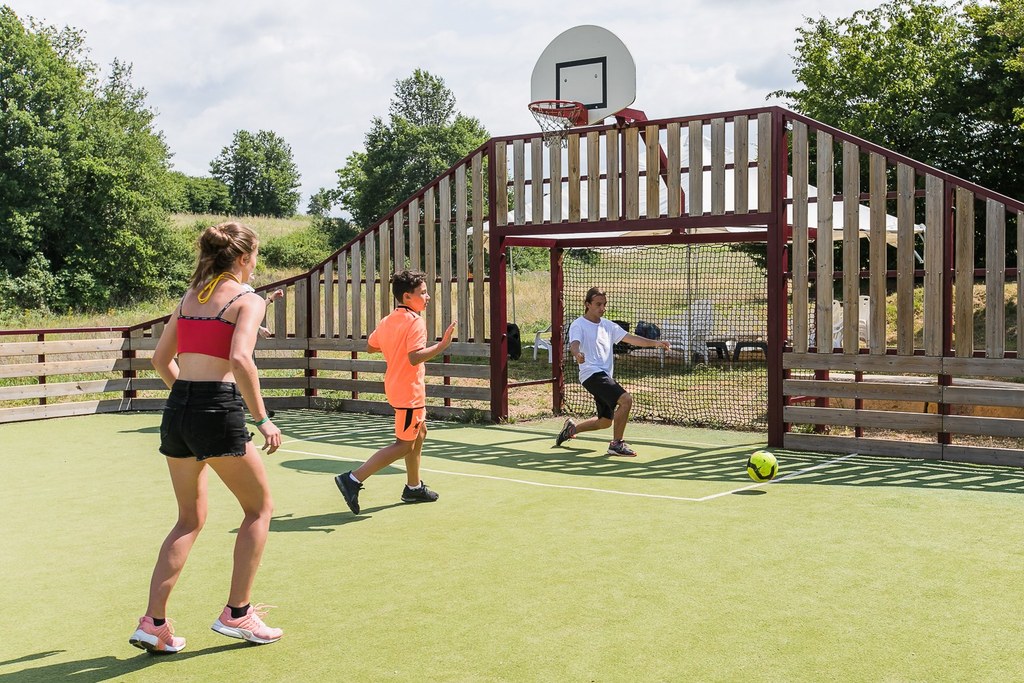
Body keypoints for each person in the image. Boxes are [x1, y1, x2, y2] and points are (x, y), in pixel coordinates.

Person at [129, 221, 283, 654]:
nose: (256, 264)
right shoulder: (248, 299)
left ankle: (152, 624)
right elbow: (239, 359)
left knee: (188, 520)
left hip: (178, 410)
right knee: (259, 509)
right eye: (255, 257)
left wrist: (189, 398)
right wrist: (264, 418)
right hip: (217, 409)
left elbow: (162, 360)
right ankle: (238, 614)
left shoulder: (188, 297)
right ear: (242, 258)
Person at [335, 269, 456, 515]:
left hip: (397, 386)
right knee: (404, 445)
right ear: (407, 296)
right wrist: (442, 346)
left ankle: (413, 487)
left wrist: (395, 348)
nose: (428, 296)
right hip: (408, 391)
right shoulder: (415, 322)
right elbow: (414, 357)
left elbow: (371, 346)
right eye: (422, 293)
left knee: (419, 433)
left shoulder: (388, 319)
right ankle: (353, 479)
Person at [554, 287, 671, 456]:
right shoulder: (578, 324)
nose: (602, 308)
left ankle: (572, 429)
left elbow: (632, 338)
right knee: (626, 400)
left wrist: (657, 343)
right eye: (598, 304)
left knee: (605, 422)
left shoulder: (608, 325)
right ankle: (616, 444)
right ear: (587, 304)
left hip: (604, 375)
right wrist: (577, 354)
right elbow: (575, 343)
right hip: (591, 374)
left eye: (604, 304)